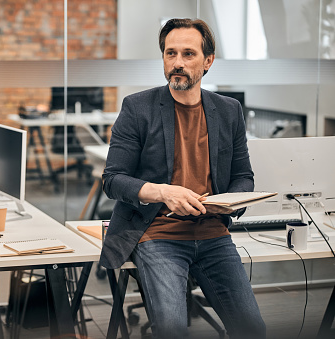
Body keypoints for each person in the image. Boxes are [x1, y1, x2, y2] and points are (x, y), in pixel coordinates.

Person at [100, 18, 266, 338]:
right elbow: (113, 179)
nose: (177, 63)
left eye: (188, 54)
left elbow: (243, 176)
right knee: (174, 330)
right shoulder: (137, 107)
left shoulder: (228, 110)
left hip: (213, 233)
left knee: (253, 328)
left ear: (207, 62)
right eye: (170, 53)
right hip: (158, 234)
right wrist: (163, 193)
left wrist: (228, 204)